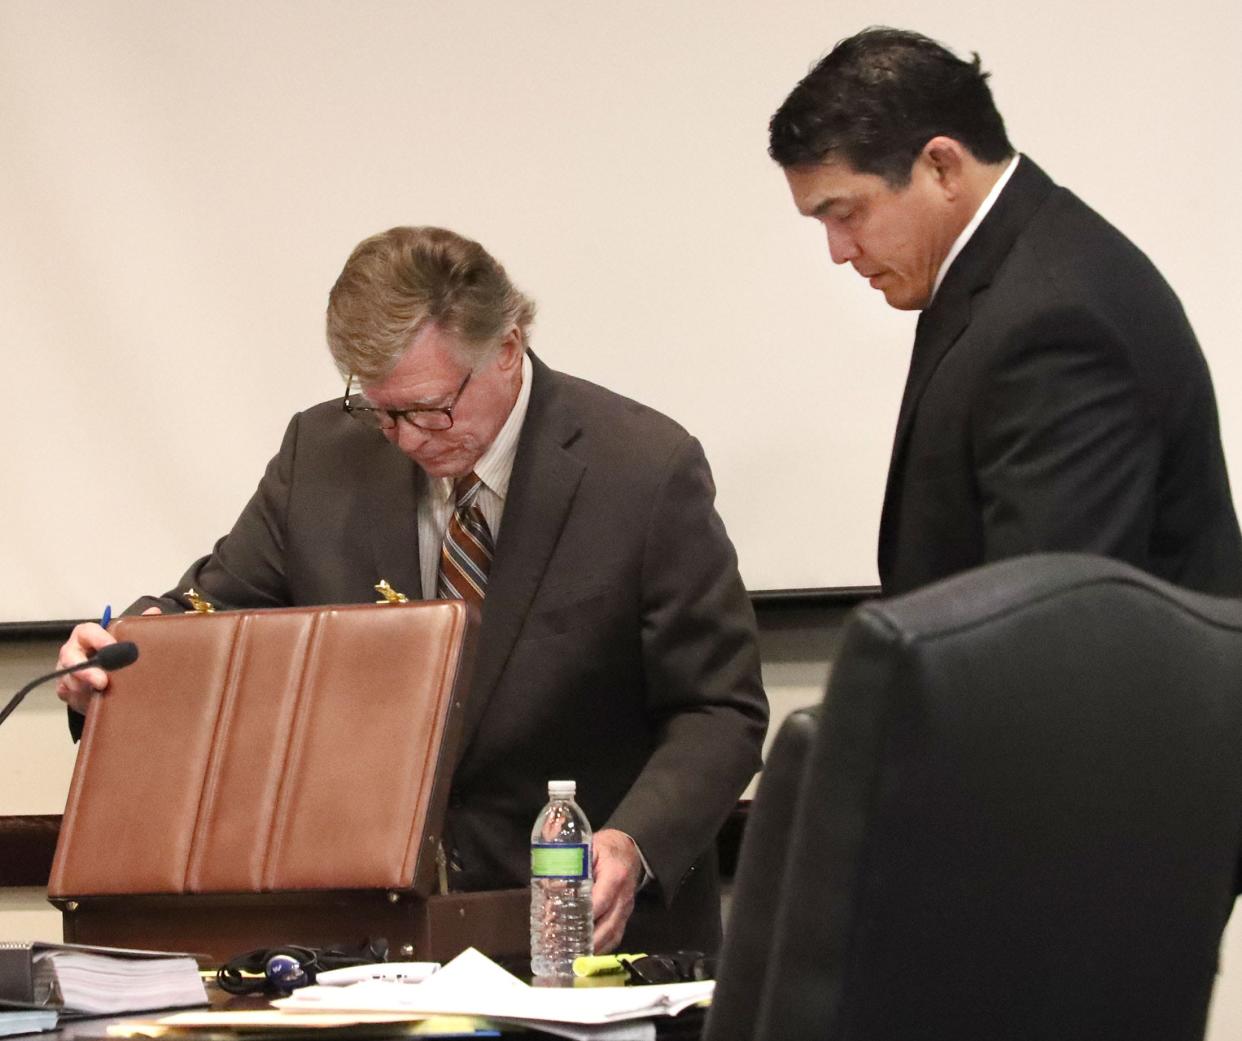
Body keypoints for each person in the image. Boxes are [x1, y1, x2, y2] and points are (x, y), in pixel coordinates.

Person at [55, 225, 768, 955]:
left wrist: (631, 842)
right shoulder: (322, 457)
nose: (405, 438)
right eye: (379, 409)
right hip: (377, 945)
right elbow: (211, 616)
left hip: (588, 937)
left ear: (508, 348)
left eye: (428, 408)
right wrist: (117, 655)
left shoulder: (642, 469)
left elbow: (720, 708)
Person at [769, 27, 1242, 596]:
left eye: (846, 213)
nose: (838, 251)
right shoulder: (1018, 273)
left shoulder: (1054, 324)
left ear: (941, 167)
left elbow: (1050, 630)